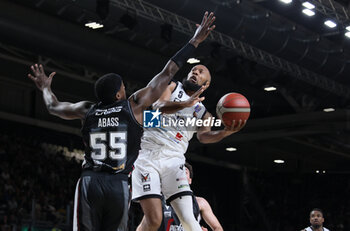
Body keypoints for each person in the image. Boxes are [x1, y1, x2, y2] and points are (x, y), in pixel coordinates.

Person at [27, 10, 215, 231]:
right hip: (118, 182)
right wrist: (194, 41)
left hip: (90, 180)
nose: (127, 89)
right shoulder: (131, 107)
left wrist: (46, 89)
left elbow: (53, 107)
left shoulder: (88, 110)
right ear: (118, 95)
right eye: (123, 87)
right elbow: (168, 72)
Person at [131, 13, 246, 231]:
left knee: (191, 223)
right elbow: (157, 109)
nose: (195, 71)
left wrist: (226, 133)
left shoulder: (204, 113)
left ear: (207, 84)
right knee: (152, 219)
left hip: (175, 159)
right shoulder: (172, 86)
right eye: (194, 69)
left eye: (201, 72)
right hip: (149, 152)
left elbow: (204, 137)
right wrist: (183, 105)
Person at [155, 162, 223, 231]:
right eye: (179, 171)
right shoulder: (158, 202)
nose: (181, 174)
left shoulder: (200, 202)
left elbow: (217, 228)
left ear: (190, 180)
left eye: (185, 172)